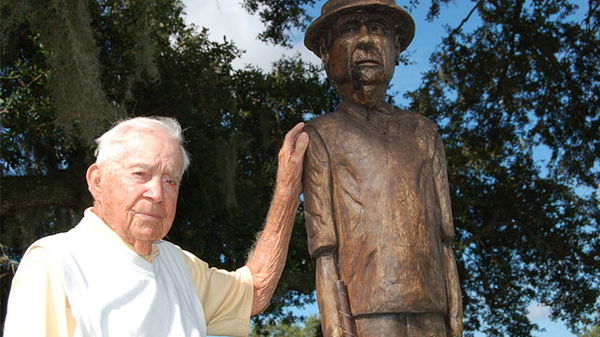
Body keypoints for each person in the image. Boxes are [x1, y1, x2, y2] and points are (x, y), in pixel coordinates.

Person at [4, 116, 309, 337]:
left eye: (170, 180)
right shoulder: (55, 262)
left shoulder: (178, 265)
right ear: (97, 180)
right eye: (140, 174)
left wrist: (287, 188)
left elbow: (253, 293)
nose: (158, 193)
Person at [302, 0, 462, 336]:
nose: (365, 40)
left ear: (396, 48)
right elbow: (324, 249)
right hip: (364, 316)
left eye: (377, 29)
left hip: (432, 312)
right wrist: (336, 328)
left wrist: (455, 322)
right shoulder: (321, 134)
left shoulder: (424, 133)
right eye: (349, 29)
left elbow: (445, 238)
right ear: (325, 52)